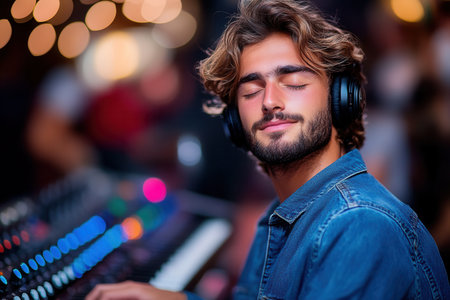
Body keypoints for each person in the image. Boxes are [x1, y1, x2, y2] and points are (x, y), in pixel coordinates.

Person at [86, 0, 450, 299]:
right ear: (234, 122)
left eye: (293, 82)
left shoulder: (358, 223)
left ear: (340, 101)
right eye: (250, 90)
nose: (270, 101)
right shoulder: (288, 211)